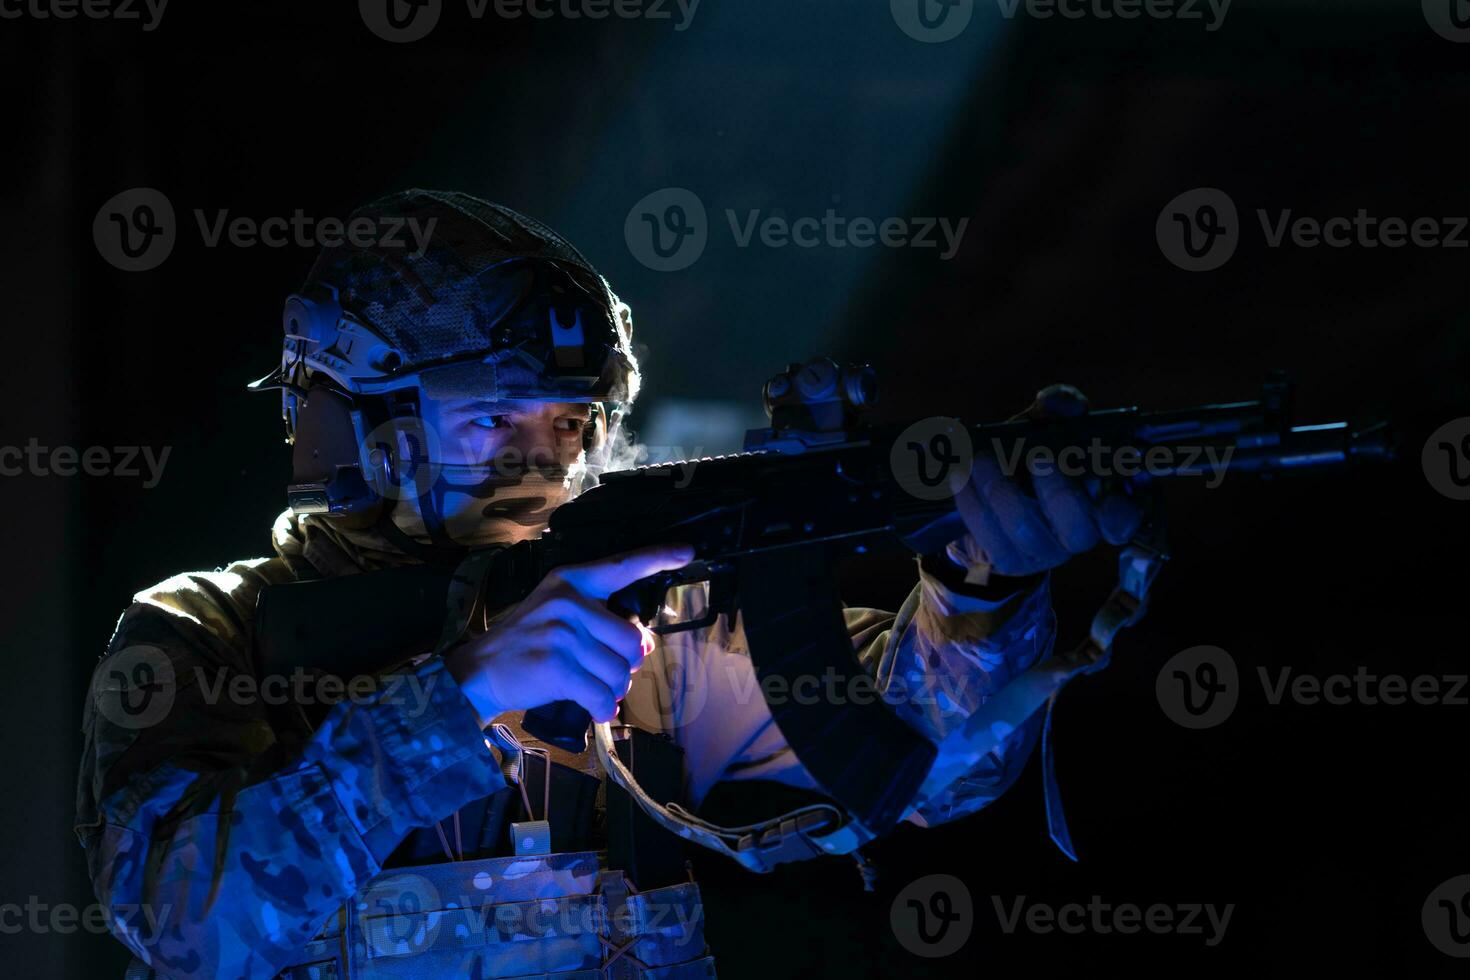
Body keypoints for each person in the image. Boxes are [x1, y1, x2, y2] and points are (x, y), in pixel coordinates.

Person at [75, 189, 1141, 978]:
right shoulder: (211, 629)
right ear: (361, 420)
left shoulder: (641, 630)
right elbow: (186, 922)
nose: (542, 459)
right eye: (494, 416)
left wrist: (980, 585)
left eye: (570, 422)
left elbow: (917, 767)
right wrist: (457, 697)